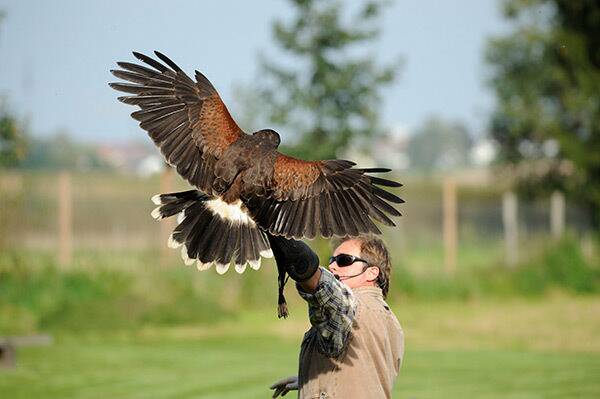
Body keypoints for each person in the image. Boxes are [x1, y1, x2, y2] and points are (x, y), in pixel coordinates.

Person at [267, 235, 404, 398]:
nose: (332, 266)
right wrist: (311, 380)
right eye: (331, 260)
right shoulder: (387, 318)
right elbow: (363, 375)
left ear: (372, 273)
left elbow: (326, 292)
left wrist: (292, 251)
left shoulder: (354, 307)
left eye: (344, 260)